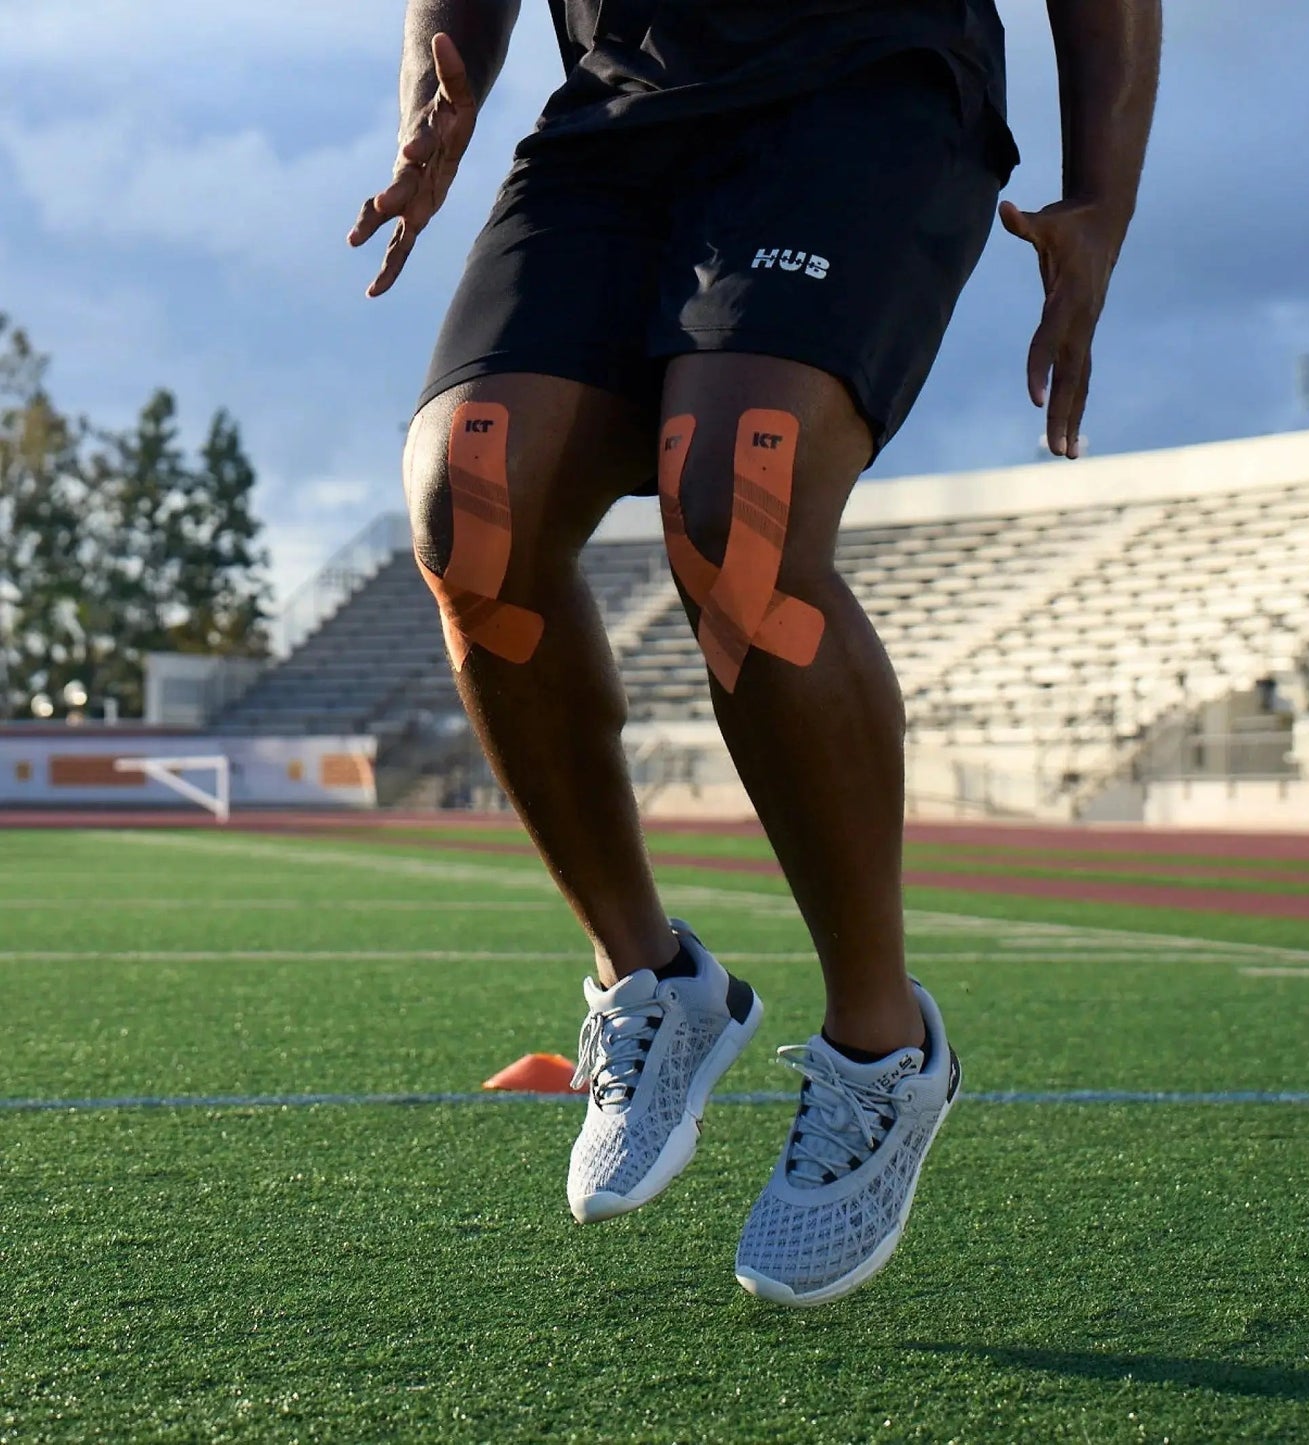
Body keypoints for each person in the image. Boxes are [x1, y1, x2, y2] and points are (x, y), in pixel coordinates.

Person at [350, 0, 1160, 1306]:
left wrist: (1101, 199)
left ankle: (880, 1050)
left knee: (739, 499)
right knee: (470, 503)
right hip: (623, 108)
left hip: (865, 93)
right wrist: (433, 102)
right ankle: (652, 982)